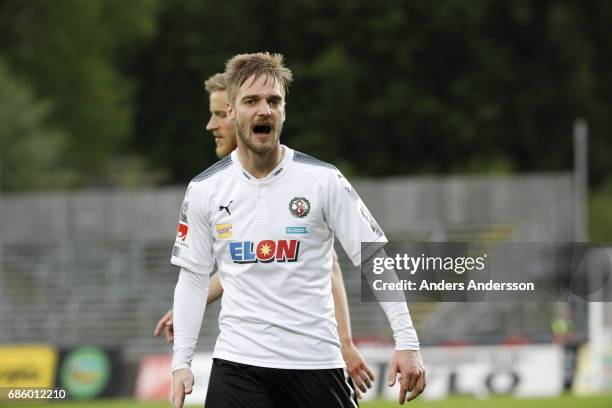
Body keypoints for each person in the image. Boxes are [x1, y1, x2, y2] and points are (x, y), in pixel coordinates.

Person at [170, 53, 425, 408]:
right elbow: (194, 277)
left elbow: (372, 258)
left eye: (274, 101)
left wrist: (407, 341)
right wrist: (181, 362)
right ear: (230, 110)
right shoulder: (205, 189)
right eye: (252, 101)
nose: (265, 110)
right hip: (239, 364)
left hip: (315, 364)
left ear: (284, 110)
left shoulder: (323, 180)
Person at [154, 72, 374, 397]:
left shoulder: (307, 180)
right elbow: (243, 263)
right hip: (243, 362)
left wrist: (344, 343)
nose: (211, 125)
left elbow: (326, 265)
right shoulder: (212, 186)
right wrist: (190, 306)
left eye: (217, 114)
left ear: (232, 112)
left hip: (308, 358)